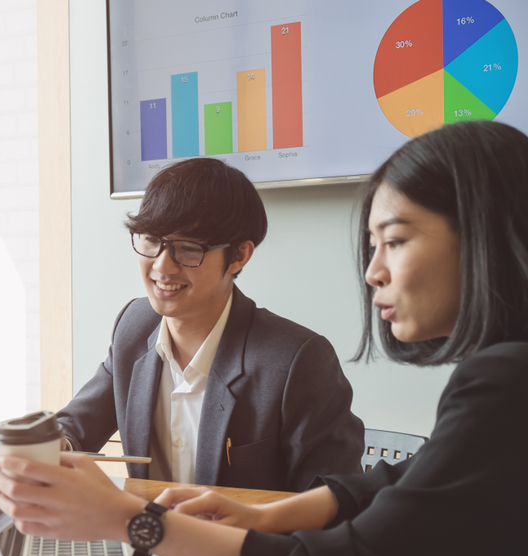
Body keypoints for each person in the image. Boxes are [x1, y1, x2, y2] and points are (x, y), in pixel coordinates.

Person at [0, 120, 528, 556]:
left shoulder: (494, 384)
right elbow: (412, 480)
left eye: (395, 240)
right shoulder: (134, 327)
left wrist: (128, 519)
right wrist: (265, 515)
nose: (372, 272)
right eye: (151, 242)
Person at [52, 158, 364, 497]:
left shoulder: (295, 361)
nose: (161, 266)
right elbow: (75, 426)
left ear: (239, 256)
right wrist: (52, 445)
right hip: (146, 542)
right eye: (151, 240)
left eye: (187, 249)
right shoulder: (135, 326)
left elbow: (337, 502)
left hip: (247, 548)